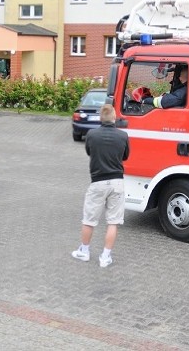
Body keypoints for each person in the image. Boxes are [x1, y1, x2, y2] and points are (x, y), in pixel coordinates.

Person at [71, 104, 130, 268]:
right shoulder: (123, 136)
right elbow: (126, 156)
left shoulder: (91, 134)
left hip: (97, 182)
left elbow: (89, 152)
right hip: (117, 182)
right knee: (113, 221)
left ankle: (84, 251)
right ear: (114, 117)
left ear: (100, 118)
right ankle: (105, 257)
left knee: (89, 220)